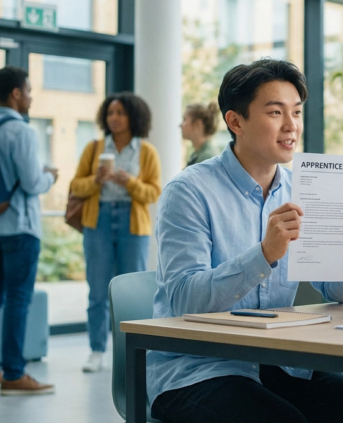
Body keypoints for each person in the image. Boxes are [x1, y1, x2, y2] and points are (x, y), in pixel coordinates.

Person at [148, 59, 343, 423]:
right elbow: (184, 300)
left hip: (278, 362)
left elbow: (338, 292)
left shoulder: (304, 190)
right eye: (275, 112)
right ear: (236, 121)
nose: (291, 126)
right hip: (196, 368)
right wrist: (263, 255)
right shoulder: (189, 192)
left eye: (296, 112)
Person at [70, 92, 161, 373]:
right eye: (110, 113)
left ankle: (131, 353)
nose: (114, 118)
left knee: (132, 291)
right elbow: (76, 186)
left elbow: (154, 192)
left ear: (134, 117)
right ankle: (96, 351)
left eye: (120, 112)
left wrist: (130, 182)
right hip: (99, 220)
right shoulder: (95, 147)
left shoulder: (146, 151)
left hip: (132, 224)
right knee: (97, 290)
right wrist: (96, 180)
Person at [0, 66, 57, 395]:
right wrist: (50, 175)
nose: (31, 98)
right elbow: (33, 183)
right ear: (16, 93)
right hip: (20, 227)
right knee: (18, 301)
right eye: (29, 91)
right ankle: (13, 373)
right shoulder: (20, 131)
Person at [180, 102, 221, 166]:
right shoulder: (197, 154)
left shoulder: (208, 157)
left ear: (197, 124)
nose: (181, 125)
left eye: (184, 119)